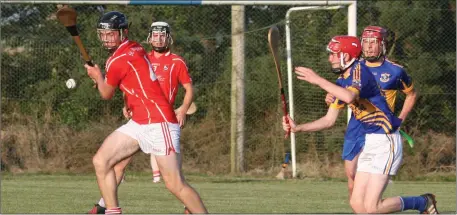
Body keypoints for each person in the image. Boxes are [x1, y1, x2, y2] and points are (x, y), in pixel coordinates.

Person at [283, 35, 438, 214]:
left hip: (386, 141)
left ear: (346, 56)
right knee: (357, 204)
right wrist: (298, 128)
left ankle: (422, 202)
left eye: (334, 54)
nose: (330, 58)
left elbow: (349, 97)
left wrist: (317, 80)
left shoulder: (360, 70)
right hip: (371, 141)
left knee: (372, 208)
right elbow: (328, 120)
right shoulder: (342, 81)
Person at [85, 11, 207, 214]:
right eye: (103, 34)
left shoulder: (117, 60)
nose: (106, 38)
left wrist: (98, 77)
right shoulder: (135, 47)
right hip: (139, 122)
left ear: (123, 33)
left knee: (175, 184)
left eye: (111, 34)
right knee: (101, 161)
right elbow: (131, 79)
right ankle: (110, 211)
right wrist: (107, 82)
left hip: (160, 123)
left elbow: (106, 93)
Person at [324, 26, 418, 203]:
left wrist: (401, 119)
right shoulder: (352, 68)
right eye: (365, 42)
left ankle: (375, 205)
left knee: (368, 187)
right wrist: (332, 96)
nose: (367, 47)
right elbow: (343, 97)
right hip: (357, 125)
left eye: (373, 43)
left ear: (382, 45)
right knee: (351, 177)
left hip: (379, 128)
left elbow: (411, 94)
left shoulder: (396, 71)